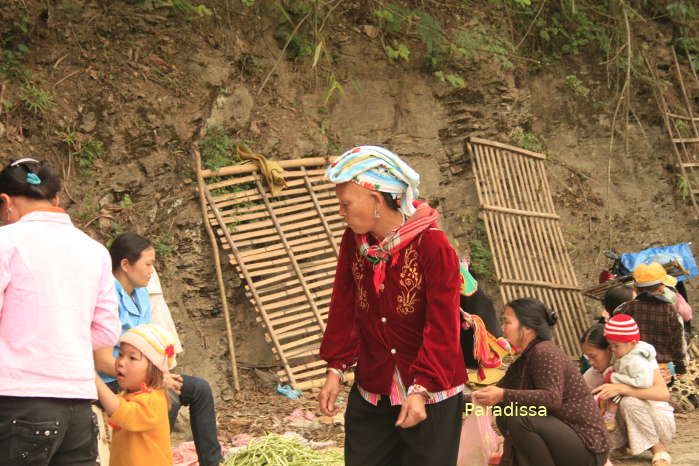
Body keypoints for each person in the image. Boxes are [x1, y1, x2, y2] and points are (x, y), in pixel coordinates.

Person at [318, 145, 466, 466]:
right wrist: (335, 367)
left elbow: (442, 326)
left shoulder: (433, 246)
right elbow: (344, 305)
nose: (341, 211)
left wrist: (421, 388)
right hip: (375, 387)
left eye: (345, 204)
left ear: (375, 200)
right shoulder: (354, 242)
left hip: (431, 393)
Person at [0, 158, 121, 465]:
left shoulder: (6, 242)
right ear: (55, 199)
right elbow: (107, 331)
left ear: (6, 202)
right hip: (78, 406)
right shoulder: (95, 251)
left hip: (18, 403)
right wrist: (64, 335)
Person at [94, 232, 223, 466]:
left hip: (144, 373)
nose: (151, 271)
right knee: (167, 397)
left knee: (199, 389)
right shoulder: (107, 296)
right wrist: (155, 378)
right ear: (125, 264)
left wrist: (159, 372)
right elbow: (101, 361)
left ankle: (212, 462)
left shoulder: (142, 293)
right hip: (115, 377)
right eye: (148, 264)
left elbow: (150, 342)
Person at [472, 298, 609, 466]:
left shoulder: (544, 352)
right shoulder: (525, 359)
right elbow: (493, 392)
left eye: (507, 322)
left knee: (519, 418)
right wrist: (458, 401)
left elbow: (552, 399)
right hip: (566, 441)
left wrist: (502, 395)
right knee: (507, 411)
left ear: (528, 327)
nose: (502, 328)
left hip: (587, 447)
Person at [580, 324, 674, 466]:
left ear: (610, 349)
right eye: (588, 358)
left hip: (659, 426)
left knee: (628, 401)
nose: (591, 363)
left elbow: (663, 394)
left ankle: (658, 449)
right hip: (626, 432)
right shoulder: (592, 375)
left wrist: (623, 388)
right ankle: (619, 448)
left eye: (593, 356)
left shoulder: (639, 362)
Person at [96, 324, 177, 466]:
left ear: (153, 368)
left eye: (132, 358)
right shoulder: (128, 395)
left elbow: (122, 412)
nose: (121, 362)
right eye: (120, 354)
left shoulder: (153, 400)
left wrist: (93, 379)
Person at [613, 263, 686, 378]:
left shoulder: (627, 308)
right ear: (662, 287)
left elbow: (615, 331)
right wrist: (680, 366)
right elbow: (678, 340)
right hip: (661, 370)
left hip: (633, 368)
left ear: (636, 289)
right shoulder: (670, 311)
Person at [600, 314, 656, 431]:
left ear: (632, 343)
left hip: (638, 394)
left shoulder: (636, 361)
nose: (613, 349)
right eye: (611, 345)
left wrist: (617, 379)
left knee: (615, 401)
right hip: (629, 388)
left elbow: (643, 382)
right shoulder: (626, 354)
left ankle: (609, 419)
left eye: (616, 346)